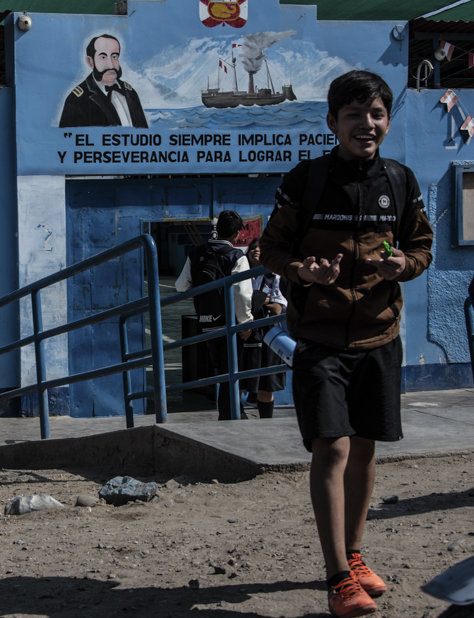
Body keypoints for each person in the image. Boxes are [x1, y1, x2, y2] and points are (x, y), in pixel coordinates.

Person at [259, 70, 434, 618]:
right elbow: (270, 250)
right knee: (331, 446)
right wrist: (302, 271)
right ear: (332, 121)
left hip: (380, 336)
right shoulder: (307, 180)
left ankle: (355, 556)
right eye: (354, 115)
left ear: (387, 120)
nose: (367, 124)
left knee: (363, 448)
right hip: (319, 338)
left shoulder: (401, 181)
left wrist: (403, 264)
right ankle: (338, 577)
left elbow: (422, 248)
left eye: (377, 113)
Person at [175, 210, 253, 420]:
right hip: (229, 324)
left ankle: (230, 412)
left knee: (221, 371)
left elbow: (181, 286)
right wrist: (245, 323)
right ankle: (230, 414)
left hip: (206, 323)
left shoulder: (197, 253)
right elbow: (243, 293)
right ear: (237, 233)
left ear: (217, 231)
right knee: (233, 371)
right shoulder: (236, 256)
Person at [59, 34, 148, 128]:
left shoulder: (130, 92)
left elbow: (144, 134)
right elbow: (68, 139)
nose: (111, 65)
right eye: (103, 57)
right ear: (90, 61)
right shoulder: (76, 100)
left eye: (114, 56)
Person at [242, 238, 287, 419]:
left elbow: (277, 309)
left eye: (260, 247)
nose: (256, 250)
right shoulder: (240, 274)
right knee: (239, 381)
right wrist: (262, 299)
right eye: (253, 247)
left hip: (267, 333)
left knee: (266, 385)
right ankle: (236, 415)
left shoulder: (274, 276)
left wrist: (254, 299)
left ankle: (266, 419)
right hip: (244, 332)